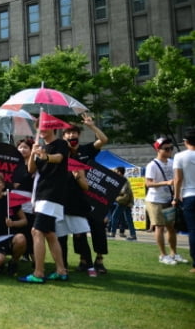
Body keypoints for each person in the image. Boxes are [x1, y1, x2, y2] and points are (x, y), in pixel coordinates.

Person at [18, 126, 69, 283]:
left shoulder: (61, 143)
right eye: (39, 127)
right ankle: (61, 270)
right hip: (40, 194)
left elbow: (59, 158)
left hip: (51, 194)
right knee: (50, 234)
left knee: (36, 231)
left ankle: (39, 272)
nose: (42, 130)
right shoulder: (39, 146)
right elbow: (31, 169)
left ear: (53, 127)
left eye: (45, 126)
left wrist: (44, 155)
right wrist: (34, 152)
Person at [63, 113, 110, 274]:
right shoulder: (63, 154)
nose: (71, 135)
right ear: (64, 137)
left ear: (79, 135)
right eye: (68, 133)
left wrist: (91, 125)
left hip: (91, 196)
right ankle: (83, 259)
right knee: (79, 231)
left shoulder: (86, 150)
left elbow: (103, 140)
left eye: (74, 132)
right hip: (72, 197)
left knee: (97, 227)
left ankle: (99, 259)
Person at [145, 137, 188, 265]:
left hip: (169, 199)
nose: (170, 150)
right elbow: (148, 183)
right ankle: (163, 255)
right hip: (155, 200)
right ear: (158, 149)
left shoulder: (172, 162)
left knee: (171, 227)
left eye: (171, 148)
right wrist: (166, 182)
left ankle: (174, 253)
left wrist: (177, 194)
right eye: (166, 148)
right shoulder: (152, 165)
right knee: (159, 227)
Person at [173, 128, 195, 273]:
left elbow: (178, 179)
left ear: (185, 141)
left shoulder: (180, 156)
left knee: (193, 231)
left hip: (189, 195)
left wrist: (176, 197)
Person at [109, 167, 137, 241]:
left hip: (123, 201)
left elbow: (123, 191)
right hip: (127, 202)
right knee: (128, 219)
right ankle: (133, 234)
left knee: (114, 216)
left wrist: (115, 194)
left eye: (116, 172)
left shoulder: (123, 181)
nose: (115, 173)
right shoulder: (122, 180)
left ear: (120, 172)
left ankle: (112, 233)